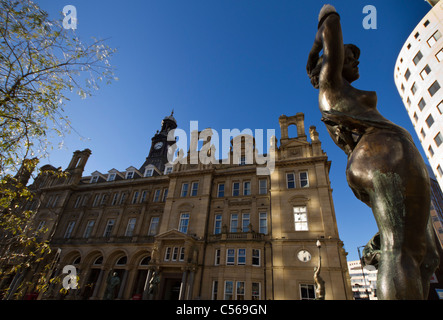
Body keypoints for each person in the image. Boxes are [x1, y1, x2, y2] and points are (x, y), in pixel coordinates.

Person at [306, 4, 439, 299]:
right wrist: (313, 54)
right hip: (382, 156)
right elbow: (330, 20)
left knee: (428, 255)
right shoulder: (331, 88)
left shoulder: (341, 93)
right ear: (332, 62)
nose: (356, 62)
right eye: (349, 57)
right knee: (401, 248)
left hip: (391, 154)